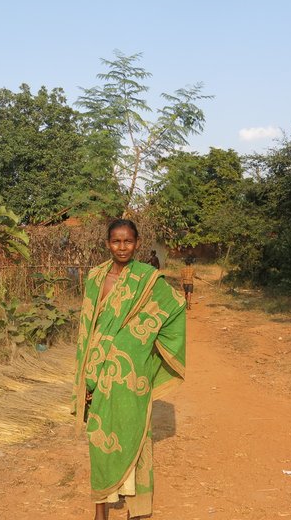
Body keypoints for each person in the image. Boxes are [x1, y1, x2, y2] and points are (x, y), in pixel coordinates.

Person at [72, 219, 187, 520]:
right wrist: (85, 378)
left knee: (134, 435)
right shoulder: (96, 278)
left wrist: (137, 341)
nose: (122, 247)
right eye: (116, 241)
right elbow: (86, 331)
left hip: (131, 374)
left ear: (137, 243)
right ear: (107, 243)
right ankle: (101, 511)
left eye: (128, 241)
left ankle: (136, 509)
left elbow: (174, 308)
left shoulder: (148, 278)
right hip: (98, 372)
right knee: (99, 440)